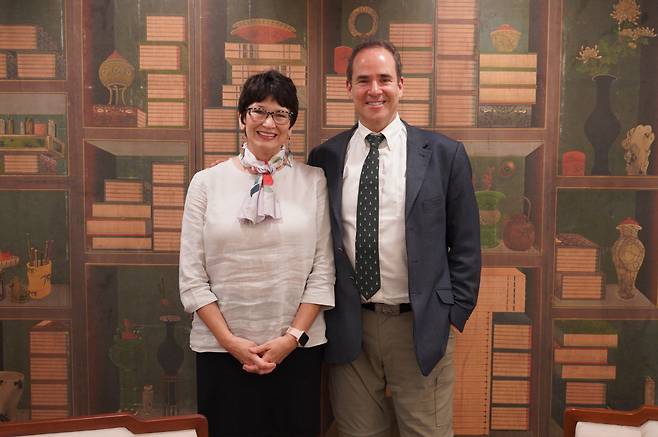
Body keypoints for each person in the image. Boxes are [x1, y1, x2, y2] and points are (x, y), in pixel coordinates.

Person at [308, 40, 481, 437]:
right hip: (351, 326)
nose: (375, 89)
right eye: (363, 80)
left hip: (420, 325)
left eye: (384, 79)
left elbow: (467, 243)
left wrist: (453, 313)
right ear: (348, 88)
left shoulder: (444, 154)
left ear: (401, 85)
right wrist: (236, 167)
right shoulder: (325, 158)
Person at [179, 69, 335, 437]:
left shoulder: (313, 181)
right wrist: (231, 343)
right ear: (242, 118)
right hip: (221, 351)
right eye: (258, 111)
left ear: (291, 123)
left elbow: (323, 271)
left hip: (296, 351)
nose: (269, 122)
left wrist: (290, 339)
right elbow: (192, 277)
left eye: (280, 113)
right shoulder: (206, 182)